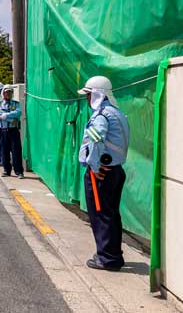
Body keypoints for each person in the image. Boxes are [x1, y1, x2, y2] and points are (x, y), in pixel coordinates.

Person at [78, 75, 130, 271]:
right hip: (115, 170)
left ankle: (107, 258)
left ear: (97, 95)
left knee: (101, 216)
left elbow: (96, 139)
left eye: (88, 95)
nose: (86, 99)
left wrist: (94, 166)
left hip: (102, 173)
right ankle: (114, 254)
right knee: (111, 214)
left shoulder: (101, 115)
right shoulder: (117, 113)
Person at [0, 84, 23, 179]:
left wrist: (6, 116)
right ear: (3, 93)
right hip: (3, 130)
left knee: (16, 151)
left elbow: (18, 112)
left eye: (10, 92)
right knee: (4, 151)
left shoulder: (16, 103)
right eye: (6, 92)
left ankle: (19, 171)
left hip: (14, 130)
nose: (8, 94)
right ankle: (6, 170)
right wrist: (10, 119)